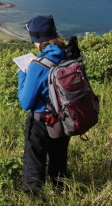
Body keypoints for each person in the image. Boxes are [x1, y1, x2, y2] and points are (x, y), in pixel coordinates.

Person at [17, 15, 70, 194]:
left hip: (42, 120)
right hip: (66, 116)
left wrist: (23, 73)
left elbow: (25, 103)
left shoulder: (38, 66)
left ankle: (32, 197)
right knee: (59, 157)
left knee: (34, 160)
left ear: (37, 39)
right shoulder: (69, 54)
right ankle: (59, 191)